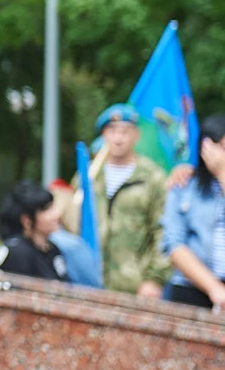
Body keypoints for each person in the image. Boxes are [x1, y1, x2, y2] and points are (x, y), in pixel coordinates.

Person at [64, 103, 170, 298]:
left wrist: (155, 279)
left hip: (134, 284)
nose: (118, 138)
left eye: (125, 132)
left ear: (136, 135)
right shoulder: (88, 175)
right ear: (103, 135)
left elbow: (163, 231)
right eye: (112, 131)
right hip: (86, 281)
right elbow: (70, 225)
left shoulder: (152, 177)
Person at [160, 111, 225, 312]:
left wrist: (223, 175)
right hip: (191, 288)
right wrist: (214, 288)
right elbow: (173, 243)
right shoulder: (184, 186)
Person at [0, 180, 68, 282]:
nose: (57, 214)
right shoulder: (17, 253)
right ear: (27, 220)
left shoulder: (53, 250)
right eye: (47, 210)